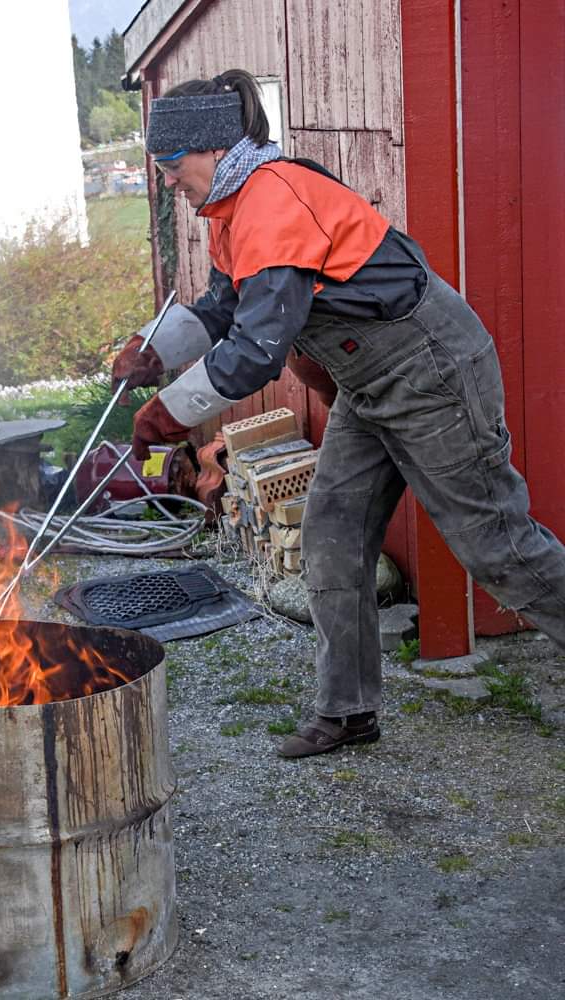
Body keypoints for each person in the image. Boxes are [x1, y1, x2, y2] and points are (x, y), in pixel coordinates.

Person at [112, 68, 565, 758]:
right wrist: (154, 351)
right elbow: (224, 310)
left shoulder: (273, 203)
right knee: (332, 535)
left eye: (172, 167)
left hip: (428, 368)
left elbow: (257, 352)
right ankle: (348, 710)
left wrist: (167, 414)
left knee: (494, 545)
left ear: (210, 147)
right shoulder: (234, 210)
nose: (170, 181)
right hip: (368, 380)